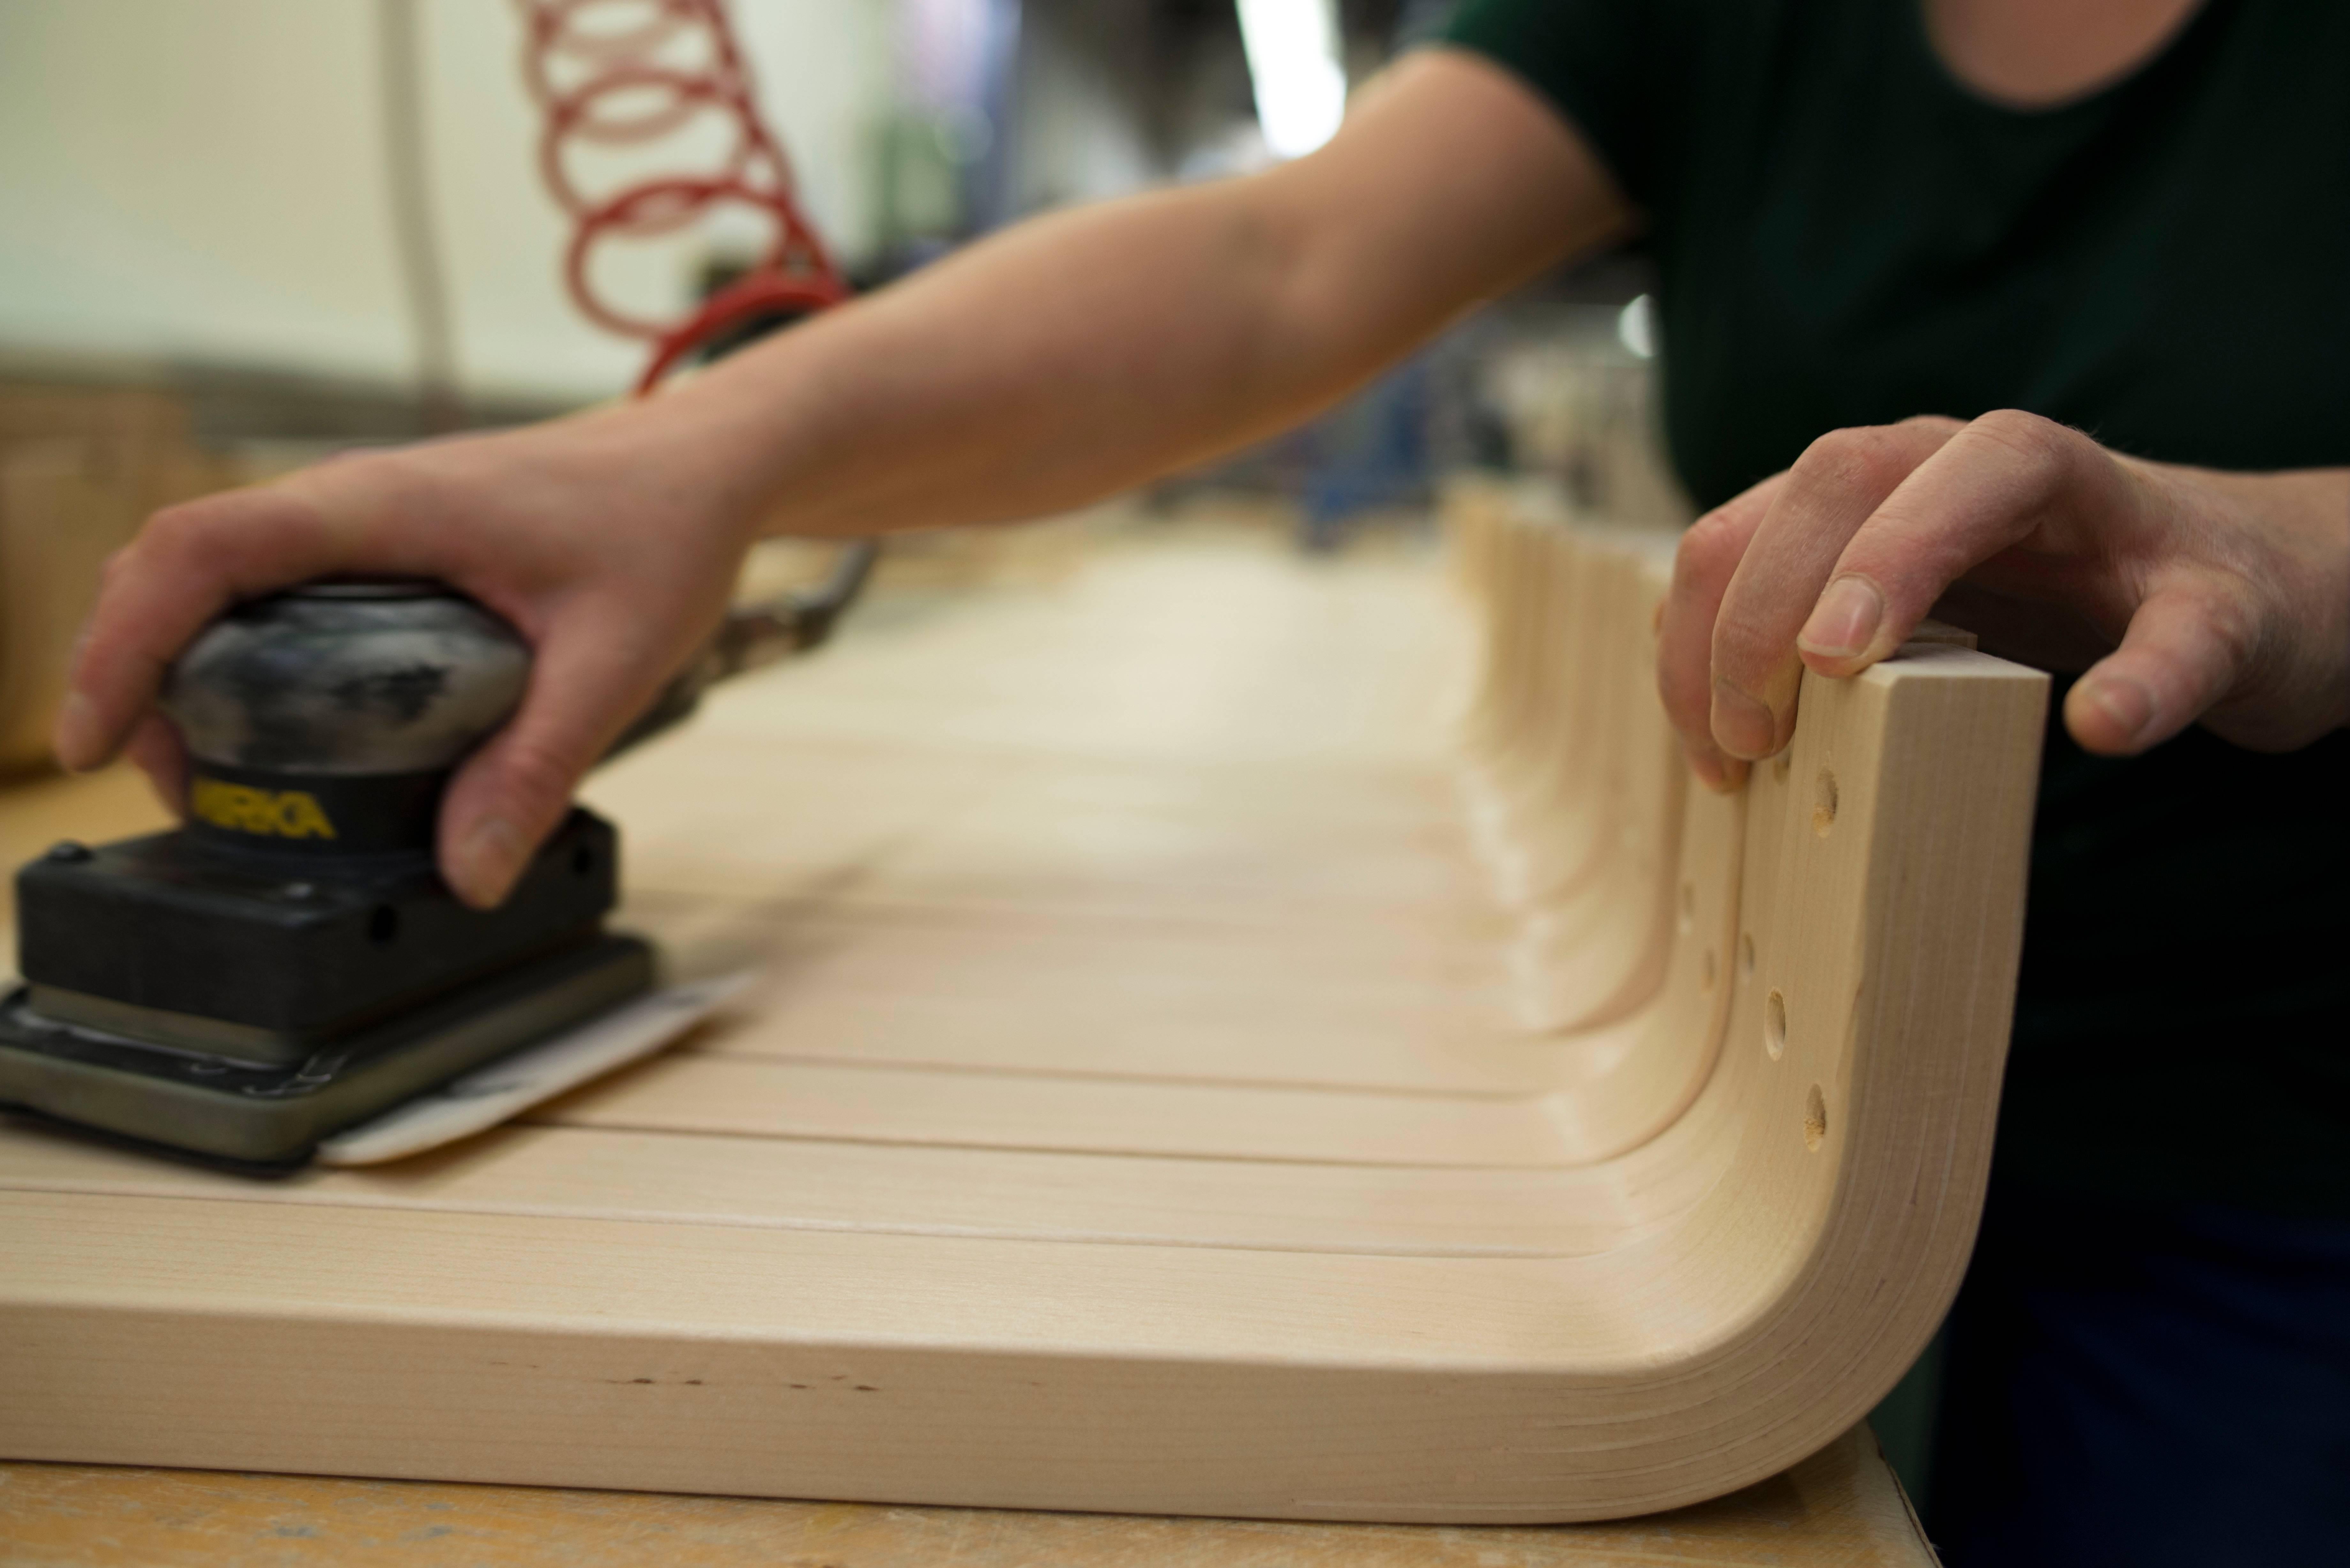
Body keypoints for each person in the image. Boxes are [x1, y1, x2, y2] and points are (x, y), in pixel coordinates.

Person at [54, 2, 2348, 1560]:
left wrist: (2268, 543)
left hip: (2283, 1130)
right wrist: (705, 455)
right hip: (1801, 1014)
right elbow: (1283, 257)